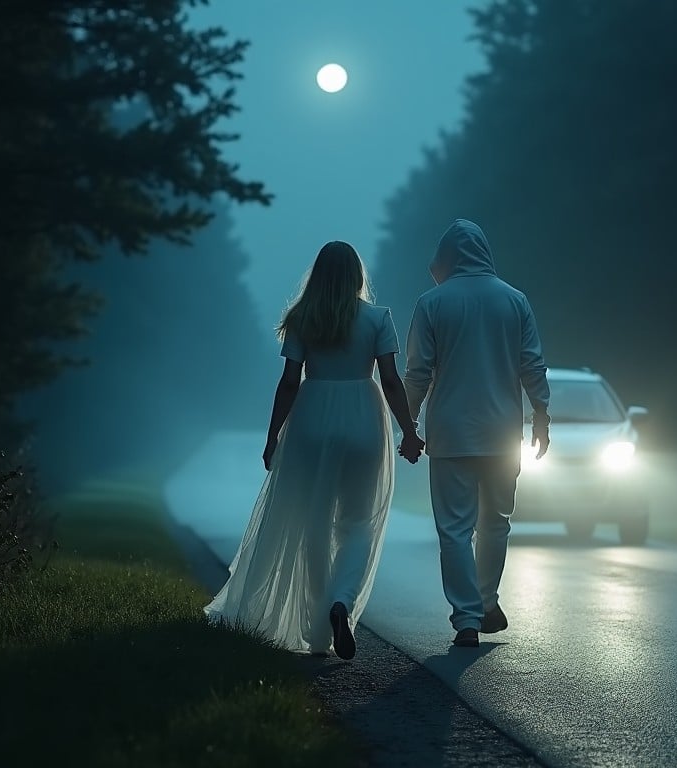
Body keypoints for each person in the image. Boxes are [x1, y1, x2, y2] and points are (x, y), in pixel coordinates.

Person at [204, 241, 424, 660]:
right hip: (363, 416)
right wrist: (409, 432)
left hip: (312, 417)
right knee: (359, 521)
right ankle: (341, 600)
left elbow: (289, 382)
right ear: (358, 277)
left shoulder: (303, 318)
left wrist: (272, 437)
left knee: (314, 522)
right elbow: (393, 381)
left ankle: (319, 630)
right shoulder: (378, 318)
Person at [403, 219, 550, 648]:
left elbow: (418, 374)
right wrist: (541, 414)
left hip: (450, 434)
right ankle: (487, 600)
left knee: (453, 530)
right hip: (503, 434)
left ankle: (466, 617)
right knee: (496, 523)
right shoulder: (514, 300)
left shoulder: (432, 303)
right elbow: (532, 364)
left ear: (446, 256)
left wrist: (408, 426)